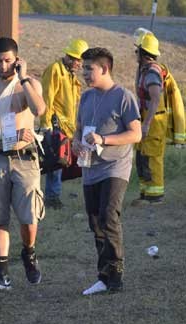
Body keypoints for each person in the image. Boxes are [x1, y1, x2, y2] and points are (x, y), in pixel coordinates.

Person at [0, 37, 46, 291]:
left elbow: (39, 109)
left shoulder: (27, 84)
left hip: (24, 158)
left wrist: (23, 78)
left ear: (16, 60)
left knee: (28, 217)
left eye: (7, 61)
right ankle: (1, 272)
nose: (2, 66)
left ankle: (29, 251)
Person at [72, 47, 141, 295]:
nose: (84, 73)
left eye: (89, 68)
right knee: (95, 221)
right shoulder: (86, 97)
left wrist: (103, 139)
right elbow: (78, 129)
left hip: (115, 166)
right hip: (90, 167)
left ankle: (116, 275)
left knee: (108, 216)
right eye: (83, 68)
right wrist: (76, 142)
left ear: (104, 68)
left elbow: (136, 133)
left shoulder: (123, 96)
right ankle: (103, 275)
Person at [131, 31, 185, 206]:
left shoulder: (153, 73)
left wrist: (146, 124)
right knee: (142, 156)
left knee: (152, 158)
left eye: (137, 51)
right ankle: (145, 194)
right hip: (147, 120)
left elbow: (155, 99)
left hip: (154, 122)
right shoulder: (145, 69)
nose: (135, 54)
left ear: (143, 53)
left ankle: (155, 197)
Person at [39, 38, 88, 209]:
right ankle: (52, 198)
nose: (76, 62)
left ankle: (54, 195)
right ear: (66, 55)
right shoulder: (55, 70)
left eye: (79, 60)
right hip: (55, 126)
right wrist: (46, 125)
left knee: (66, 162)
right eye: (73, 58)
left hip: (68, 128)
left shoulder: (71, 75)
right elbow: (47, 98)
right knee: (56, 162)